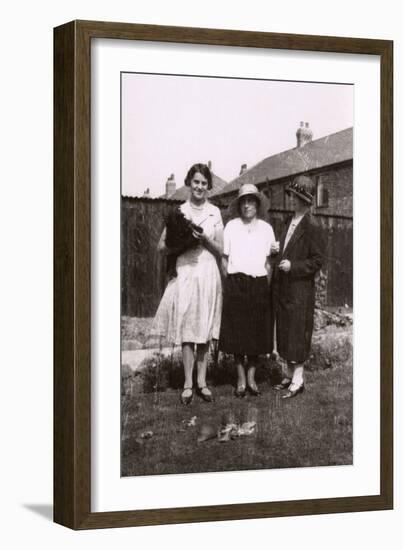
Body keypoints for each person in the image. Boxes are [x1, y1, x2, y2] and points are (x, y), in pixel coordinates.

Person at [152, 163, 223, 405]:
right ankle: (187, 383)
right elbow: (161, 247)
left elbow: (222, 250)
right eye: (196, 182)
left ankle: (202, 382)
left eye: (204, 183)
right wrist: (183, 242)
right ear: (189, 183)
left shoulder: (215, 213)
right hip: (185, 272)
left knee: (203, 328)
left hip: (207, 272)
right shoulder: (179, 212)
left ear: (208, 186)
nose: (200, 187)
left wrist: (204, 238)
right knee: (186, 328)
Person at [219, 183, 275, 397]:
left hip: (259, 284)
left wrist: (265, 284)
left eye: (251, 201)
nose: (247, 205)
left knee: (256, 334)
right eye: (244, 201)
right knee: (237, 333)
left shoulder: (266, 229)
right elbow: (224, 259)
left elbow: (269, 262)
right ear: (239, 205)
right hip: (236, 283)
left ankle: (252, 378)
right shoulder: (232, 226)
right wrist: (230, 282)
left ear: (257, 204)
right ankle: (240, 378)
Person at [272, 175, 324, 399]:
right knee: (285, 330)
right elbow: (286, 247)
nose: (291, 200)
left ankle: (298, 380)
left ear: (304, 200)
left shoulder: (312, 225)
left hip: (300, 289)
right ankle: (289, 374)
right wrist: (277, 248)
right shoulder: (288, 221)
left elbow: (317, 260)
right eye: (291, 196)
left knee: (297, 332)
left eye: (295, 196)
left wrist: (293, 266)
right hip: (284, 287)